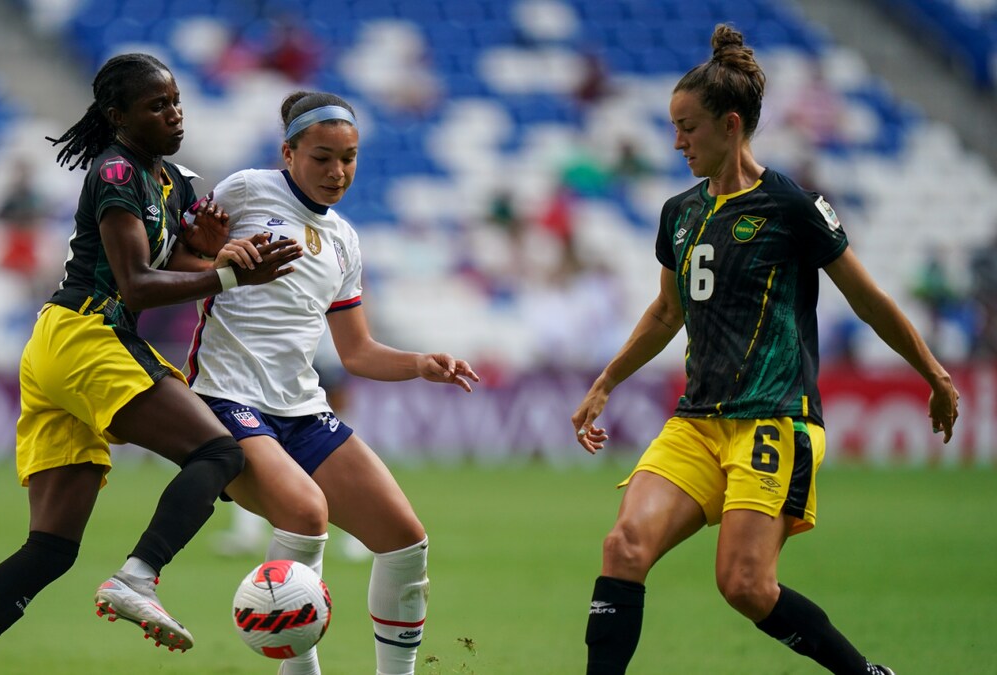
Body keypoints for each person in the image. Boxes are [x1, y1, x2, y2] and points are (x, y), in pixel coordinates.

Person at [0, 52, 303, 675]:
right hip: (88, 334)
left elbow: (180, 266)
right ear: (118, 116)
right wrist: (226, 276)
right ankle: (138, 577)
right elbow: (136, 284)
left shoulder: (173, 180)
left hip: (60, 346)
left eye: (176, 101)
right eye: (156, 106)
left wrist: (214, 256)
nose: (174, 114)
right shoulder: (114, 171)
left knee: (50, 548)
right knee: (218, 452)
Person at [571, 25, 958, 675]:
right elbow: (667, 311)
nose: (676, 141)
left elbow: (867, 300)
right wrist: (606, 380)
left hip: (775, 417)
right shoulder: (680, 213)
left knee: (745, 585)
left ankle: (866, 673)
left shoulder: (791, 203)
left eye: (687, 126)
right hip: (697, 421)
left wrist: (935, 374)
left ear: (730, 125)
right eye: (672, 126)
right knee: (625, 545)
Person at [179, 90, 479, 675]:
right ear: (287, 152)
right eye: (322, 157)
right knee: (305, 514)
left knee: (404, 540)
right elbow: (173, 263)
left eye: (349, 157)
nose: (337, 171)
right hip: (225, 398)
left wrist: (420, 364)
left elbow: (358, 351)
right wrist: (216, 263)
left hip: (300, 408)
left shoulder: (344, 239)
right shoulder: (243, 191)